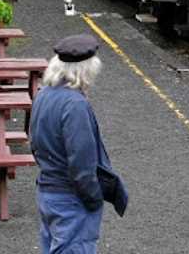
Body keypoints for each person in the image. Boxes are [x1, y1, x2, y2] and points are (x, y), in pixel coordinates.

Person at [30, 33, 127, 254]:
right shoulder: (75, 105)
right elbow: (82, 164)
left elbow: (34, 143)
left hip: (47, 191)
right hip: (70, 199)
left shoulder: (43, 95)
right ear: (86, 69)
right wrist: (93, 199)